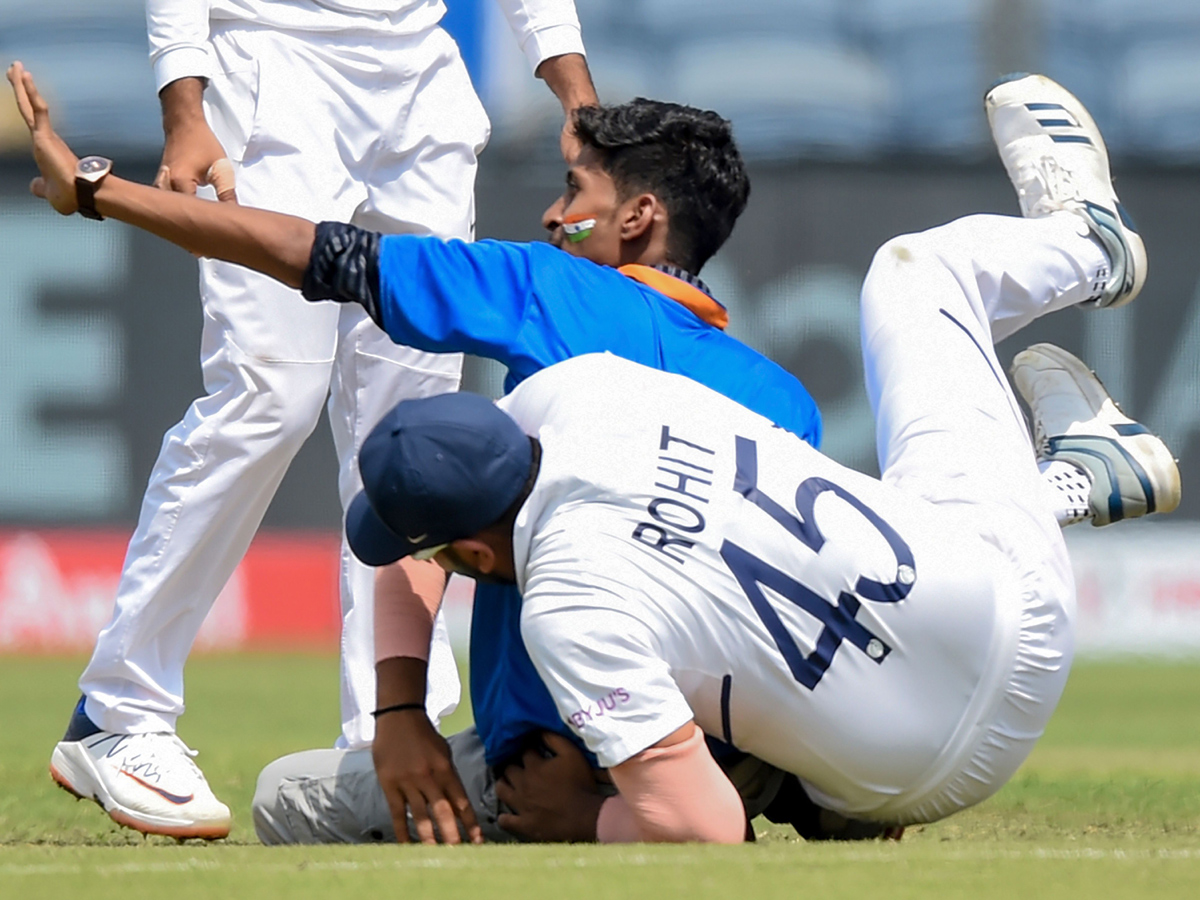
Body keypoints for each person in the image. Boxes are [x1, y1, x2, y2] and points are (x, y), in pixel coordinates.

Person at [8, 65, 1177, 841]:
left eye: (574, 190)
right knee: (917, 348)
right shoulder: (775, 402)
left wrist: (107, 193)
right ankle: (1060, 467)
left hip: (603, 751)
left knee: (283, 803)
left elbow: (326, 258)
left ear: (637, 221)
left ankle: (1061, 471)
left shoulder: (552, 312)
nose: (549, 215)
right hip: (790, 739)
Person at [40, 0, 597, 839]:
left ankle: (389, 739)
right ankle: (117, 710)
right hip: (270, 67)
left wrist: (571, 83)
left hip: (421, 82)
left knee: (413, 441)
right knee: (269, 396)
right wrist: (184, 105)